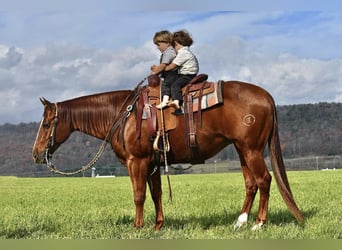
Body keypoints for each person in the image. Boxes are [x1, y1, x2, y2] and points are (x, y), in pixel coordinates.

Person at [164, 30, 199, 111]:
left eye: (173, 47)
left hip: (187, 75)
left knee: (174, 85)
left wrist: (162, 68)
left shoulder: (183, 53)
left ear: (176, 43)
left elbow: (172, 66)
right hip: (189, 74)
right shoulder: (187, 52)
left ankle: (176, 101)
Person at [150, 30, 178, 109]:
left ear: (167, 42)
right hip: (169, 73)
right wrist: (157, 69)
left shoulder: (169, 52)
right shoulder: (167, 52)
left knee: (165, 84)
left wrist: (155, 72)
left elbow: (163, 65)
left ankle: (165, 100)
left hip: (173, 73)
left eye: (158, 45)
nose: (157, 47)